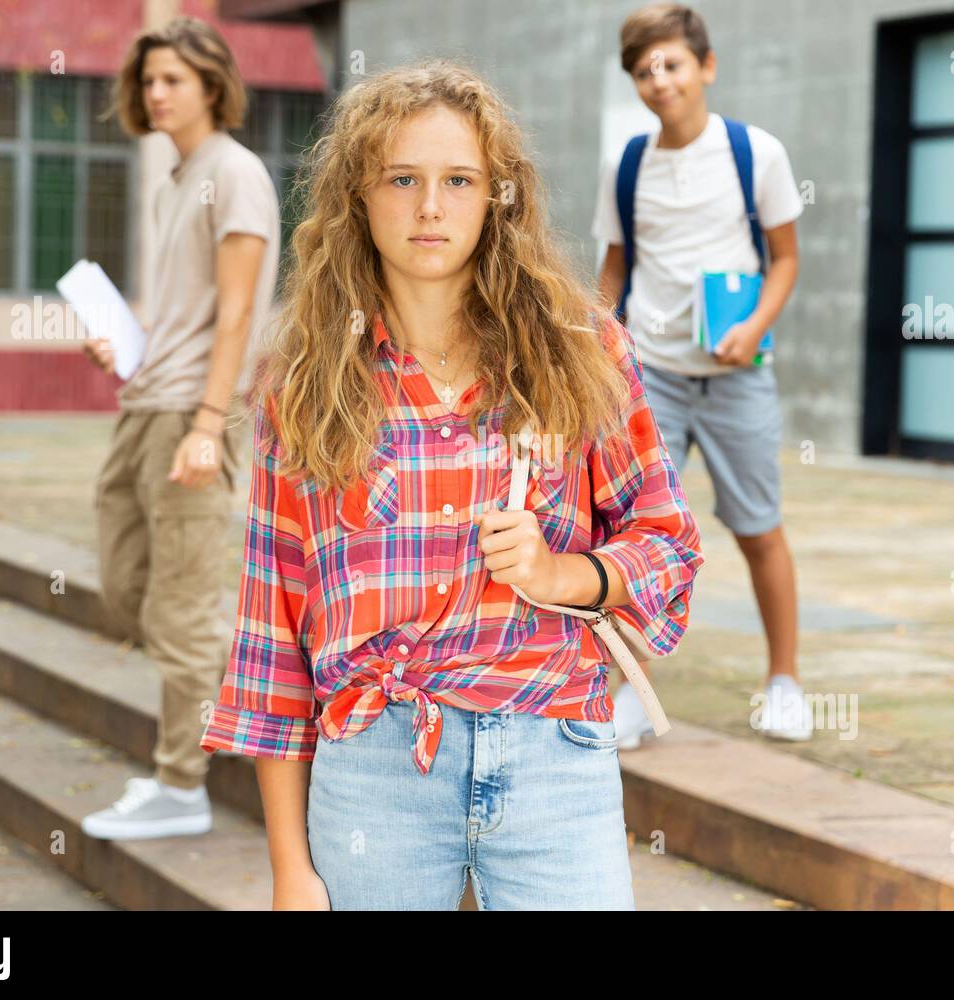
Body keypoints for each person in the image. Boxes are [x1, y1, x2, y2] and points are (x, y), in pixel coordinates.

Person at [198, 58, 704, 911]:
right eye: (403, 178)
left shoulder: (582, 351)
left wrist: (560, 576)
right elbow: (271, 639)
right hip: (374, 773)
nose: (430, 207)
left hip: (554, 750)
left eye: (459, 180)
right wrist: (291, 869)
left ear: (495, 196)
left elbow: (668, 542)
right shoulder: (306, 383)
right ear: (359, 195)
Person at [79, 16, 281, 839]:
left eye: (171, 79)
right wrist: (126, 342)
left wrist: (208, 423)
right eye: (147, 81)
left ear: (211, 84)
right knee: (126, 583)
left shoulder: (233, 172)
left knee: (185, 604)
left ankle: (181, 785)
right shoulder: (175, 174)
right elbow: (189, 310)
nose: (154, 93)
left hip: (192, 416)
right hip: (146, 403)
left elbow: (237, 313)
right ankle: (244, 698)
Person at [593, 3, 811, 747]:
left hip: (737, 374)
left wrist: (753, 328)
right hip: (651, 377)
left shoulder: (757, 155)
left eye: (673, 64)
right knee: (640, 534)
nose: (660, 80)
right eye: (645, 69)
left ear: (705, 67)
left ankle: (784, 681)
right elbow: (614, 272)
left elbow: (784, 258)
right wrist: (597, 349)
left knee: (757, 529)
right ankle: (632, 691)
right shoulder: (625, 165)